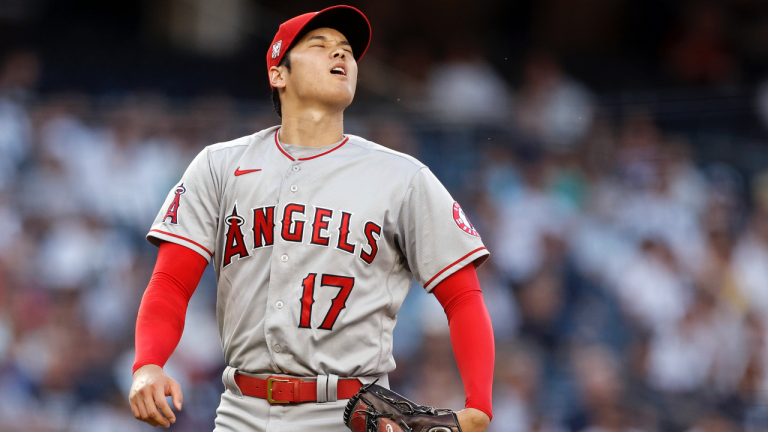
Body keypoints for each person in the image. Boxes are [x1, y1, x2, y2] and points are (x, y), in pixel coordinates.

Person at [128, 6, 495, 431]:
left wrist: (479, 405)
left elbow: (463, 295)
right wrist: (147, 363)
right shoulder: (220, 166)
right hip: (240, 410)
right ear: (278, 74)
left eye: (346, 51)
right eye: (320, 46)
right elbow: (171, 282)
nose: (340, 55)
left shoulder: (402, 177)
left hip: (349, 412)